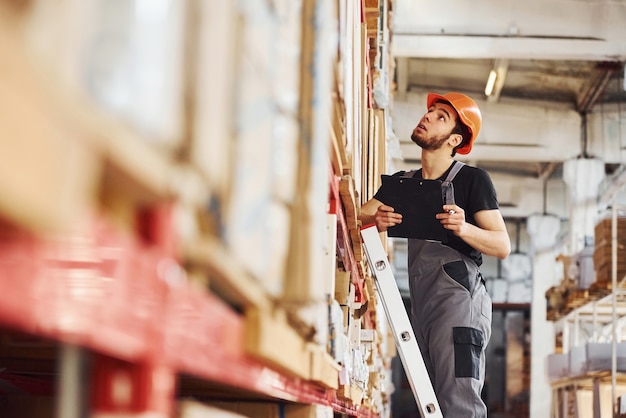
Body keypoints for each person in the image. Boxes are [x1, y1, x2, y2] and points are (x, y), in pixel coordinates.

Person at [359, 92, 511, 417]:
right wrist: (377, 218)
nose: (427, 116)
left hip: (459, 302)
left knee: (459, 405)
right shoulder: (403, 185)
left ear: (454, 139)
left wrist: (463, 227)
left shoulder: (471, 180)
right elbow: (356, 215)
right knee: (433, 407)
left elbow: (502, 245)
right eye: (430, 111)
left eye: (441, 116)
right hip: (423, 302)